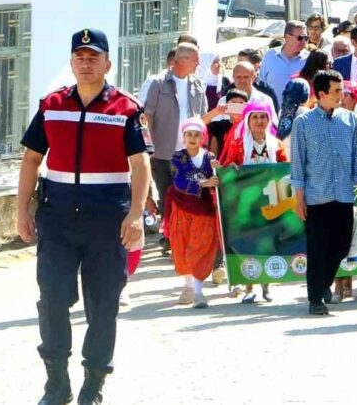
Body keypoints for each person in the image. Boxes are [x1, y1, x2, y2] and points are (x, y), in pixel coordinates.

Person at [17, 28, 152, 405]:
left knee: (103, 304)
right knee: (53, 299)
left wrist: (136, 214)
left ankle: (93, 384)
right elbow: (31, 159)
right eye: (80, 56)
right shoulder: (52, 104)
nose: (86, 62)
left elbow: (140, 166)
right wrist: (21, 210)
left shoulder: (125, 108)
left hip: (107, 219)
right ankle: (56, 383)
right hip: (57, 217)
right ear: (72, 61)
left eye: (94, 56)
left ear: (108, 63)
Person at [290, 70, 357, 316]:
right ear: (321, 94)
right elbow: (298, 164)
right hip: (316, 196)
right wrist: (298, 197)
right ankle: (315, 299)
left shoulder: (350, 120)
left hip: (344, 194)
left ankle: (324, 284)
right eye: (336, 91)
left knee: (342, 245)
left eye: (342, 91)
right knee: (317, 249)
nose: (341, 95)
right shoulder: (303, 123)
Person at [219, 102, 287, 304]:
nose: (259, 121)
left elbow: (284, 171)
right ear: (248, 121)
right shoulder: (238, 145)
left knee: (268, 242)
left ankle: (266, 283)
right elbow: (227, 169)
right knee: (248, 242)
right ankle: (249, 286)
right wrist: (231, 168)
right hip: (246, 204)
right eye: (255, 117)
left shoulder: (277, 145)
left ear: (269, 120)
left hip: (270, 204)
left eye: (263, 117)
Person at [143, 42, 206, 219]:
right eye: (195, 59)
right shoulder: (158, 83)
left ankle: (185, 237)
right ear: (183, 60)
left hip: (190, 152)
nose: (198, 64)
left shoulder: (197, 84)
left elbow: (202, 118)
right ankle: (170, 237)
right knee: (167, 196)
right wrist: (147, 148)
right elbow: (147, 116)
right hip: (163, 152)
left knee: (189, 195)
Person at [164, 118, 221, 309]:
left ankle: (198, 291)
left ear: (203, 137)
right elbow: (179, 180)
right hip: (180, 207)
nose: (193, 138)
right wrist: (205, 183)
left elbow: (220, 175)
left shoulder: (209, 157)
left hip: (203, 210)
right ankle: (187, 286)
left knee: (200, 248)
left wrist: (223, 170)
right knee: (182, 246)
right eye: (189, 134)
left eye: (197, 135)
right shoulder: (177, 157)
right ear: (184, 137)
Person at [259, 21, 310, 100]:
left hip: (299, 112)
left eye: (306, 38)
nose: (303, 41)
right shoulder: (270, 56)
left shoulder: (309, 59)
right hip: (273, 110)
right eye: (300, 38)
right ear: (287, 37)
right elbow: (261, 84)